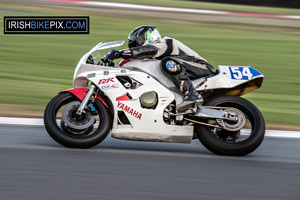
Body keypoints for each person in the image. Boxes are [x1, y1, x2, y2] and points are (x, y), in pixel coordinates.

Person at [104, 25, 214, 112]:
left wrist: (121, 53)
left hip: (201, 68)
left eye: (137, 44)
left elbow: (149, 50)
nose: (135, 47)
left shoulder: (166, 43)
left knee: (168, 62)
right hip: (187, 71)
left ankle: (192, 95)